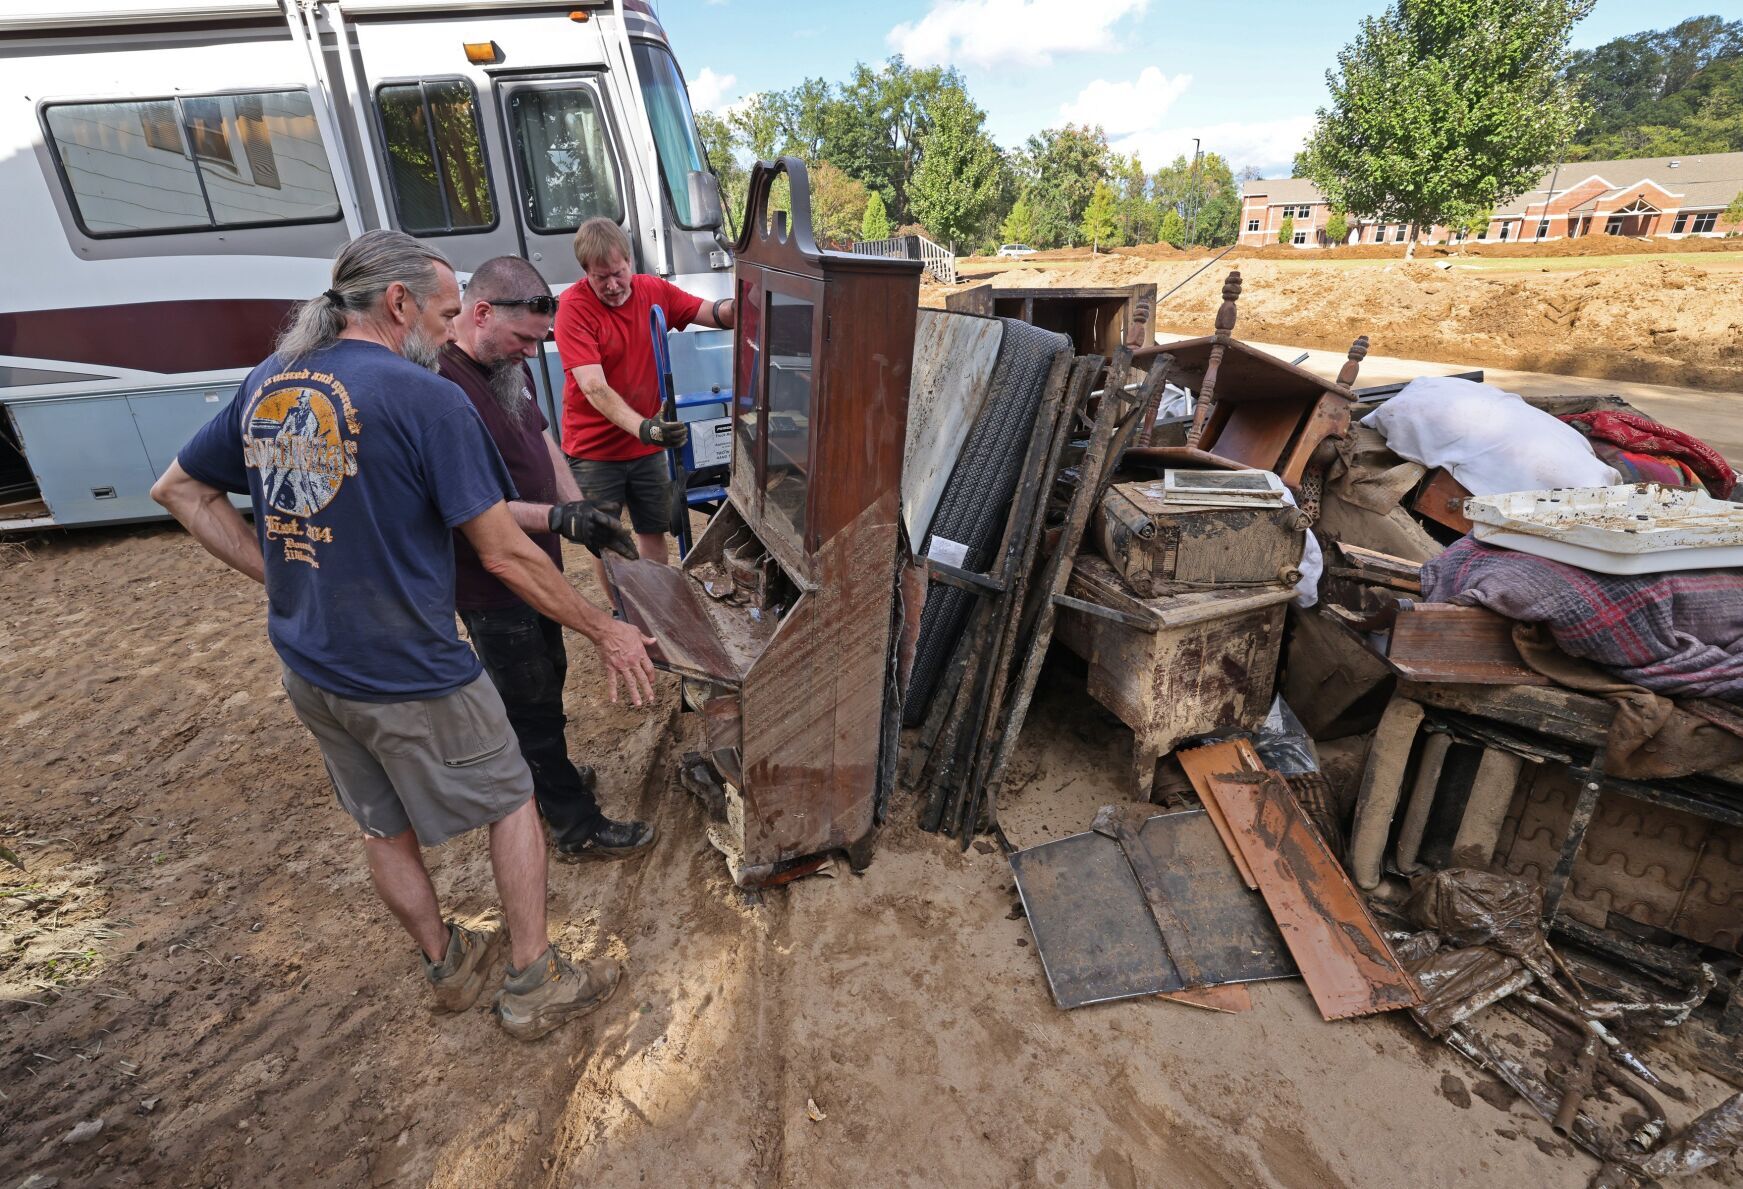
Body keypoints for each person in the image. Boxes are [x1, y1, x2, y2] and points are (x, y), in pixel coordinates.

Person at [149, 230, 658, 1042]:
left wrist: (282, 578)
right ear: (398, 303)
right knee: (513, 797)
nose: (451, 329)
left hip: (310, 664)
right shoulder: (427, 396)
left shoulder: (272, 376)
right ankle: (533, 978)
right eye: (446, 313)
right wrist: (606, 628)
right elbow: (502, 553)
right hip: (410, 665)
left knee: (382, 825)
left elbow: (179, 489)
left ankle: (447, 963)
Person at [441, 255, 657, 862]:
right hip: (492, 582)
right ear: (482, 313)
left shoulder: (510, 366)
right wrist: (558, 519)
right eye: (523, 339)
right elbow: (474, 510)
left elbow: (543, 443)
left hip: (539, 563)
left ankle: (545, 777)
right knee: (528, 699)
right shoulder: (442, 386)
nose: (531, 353)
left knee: (548, 677)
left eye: (540, 341)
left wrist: (577, 509)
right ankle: (573, 826)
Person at [554, 217, 735, 586]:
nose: (612, 285)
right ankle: (622, 611)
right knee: (606, 542)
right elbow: (594, 387)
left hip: (646, 447)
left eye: (618, 273)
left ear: (630, 261)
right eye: (601, 277)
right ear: (585, 272)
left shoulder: (654, 290)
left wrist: (744, 302)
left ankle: (656, 601)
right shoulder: (573, 308)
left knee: (653, 531)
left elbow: (712, 313)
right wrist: (645, 428)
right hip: (594, 450)